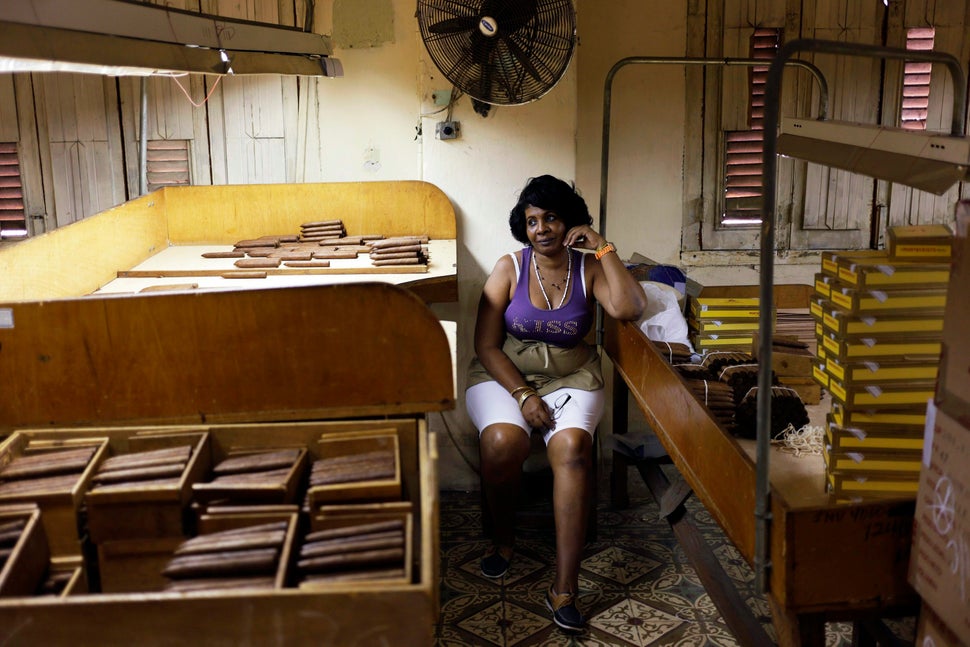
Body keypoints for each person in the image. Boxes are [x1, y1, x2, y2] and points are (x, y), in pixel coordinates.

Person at [465, 175, 646, 632]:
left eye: (550, 218)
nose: (541, 228)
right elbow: (485, 345)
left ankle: (565, 587)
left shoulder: (589, 268)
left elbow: (629, 307)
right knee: (503, 441)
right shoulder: (509, 267)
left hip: (572, 376)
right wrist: (523, 394)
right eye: (532, 221)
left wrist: (603, 247)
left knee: (572, 450)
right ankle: (503, 540)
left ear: (569, 222)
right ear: (523, 227)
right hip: (505, 375)